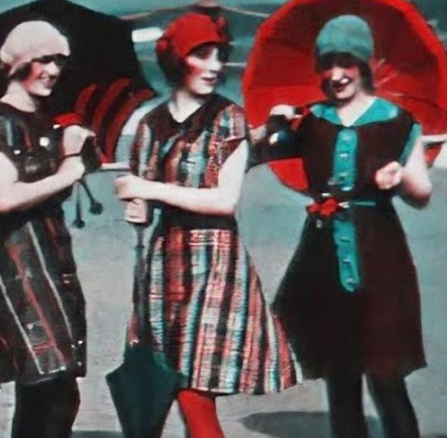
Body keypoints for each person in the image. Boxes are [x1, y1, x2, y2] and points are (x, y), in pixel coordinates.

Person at [114, 12, 297, 438]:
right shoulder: (150, 125)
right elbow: (142, 203)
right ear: (178, 60)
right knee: (170, 380)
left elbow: (223, 200)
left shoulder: (228, 119)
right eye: (202, 54)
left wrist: (150, 188)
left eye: (220, 55)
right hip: (165, 263)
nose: (215, 65)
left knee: (193, 388)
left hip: (216, 261)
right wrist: (137, 206)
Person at [250, 15, 433, 438]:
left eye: (345, 62)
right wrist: (270, 127)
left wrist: (398, 177)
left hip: (381, 257)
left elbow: (422, 194)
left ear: (363, 64)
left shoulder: (398, 121)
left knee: (387, 378)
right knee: (341, 379)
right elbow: (251, 158)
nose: (335, 75)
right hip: (323, 257)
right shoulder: (309, 119)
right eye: (327, 64)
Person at [0, 20, 98, 438]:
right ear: (19, 62)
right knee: (54, 389)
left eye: (58, 60)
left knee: (44, 388)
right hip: (19, 262)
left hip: (50, 257)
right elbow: (3, 197)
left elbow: (56, 174)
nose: (53, 70)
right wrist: (68, 172)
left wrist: (72, 147)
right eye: (43, 59)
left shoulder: (43, 121)